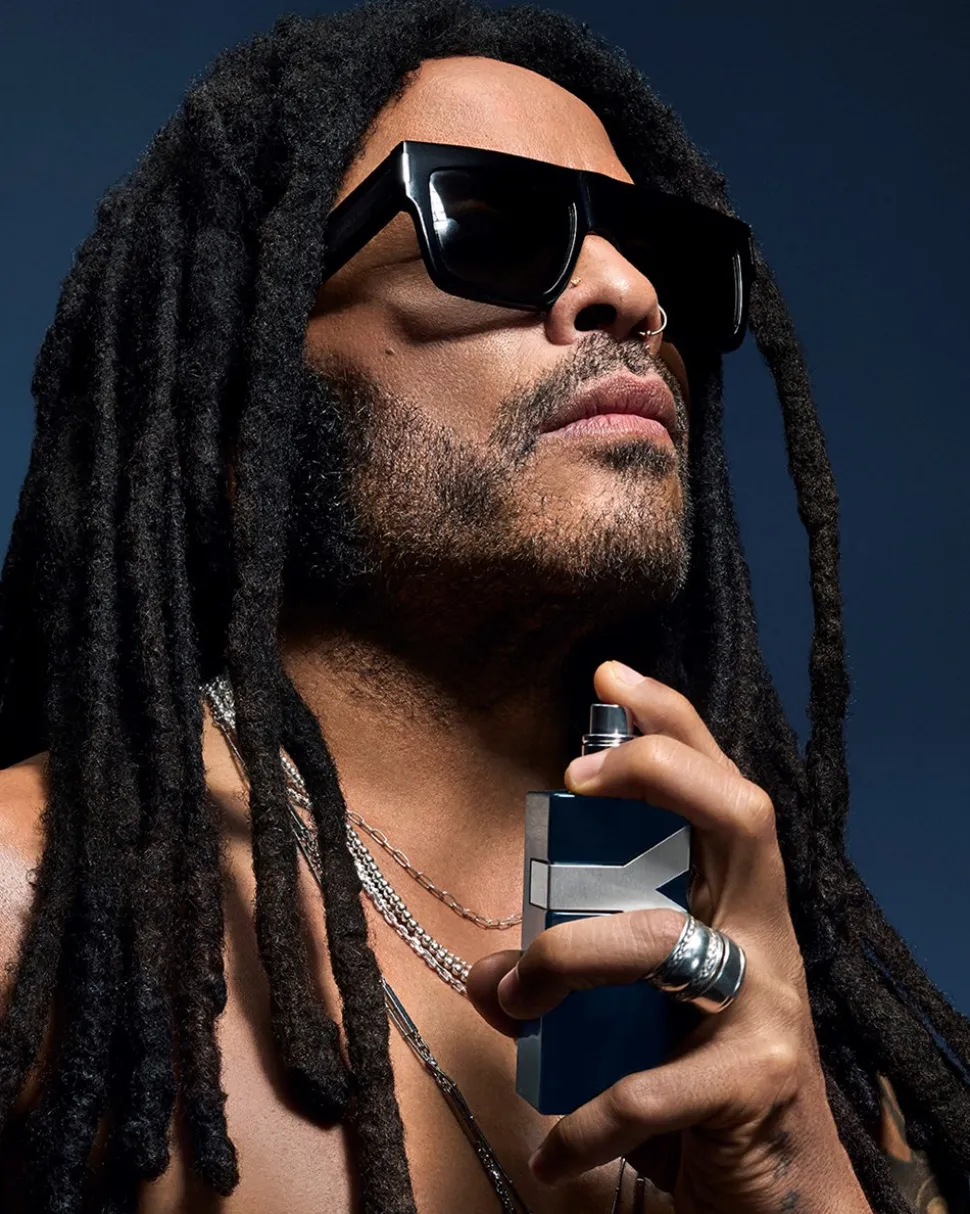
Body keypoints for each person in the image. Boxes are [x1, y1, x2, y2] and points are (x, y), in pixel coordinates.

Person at [0, 1, 967, 1211]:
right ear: (244, 397)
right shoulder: (33, 911)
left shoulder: (787, 1021)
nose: (630, 292)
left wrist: (798, 1179)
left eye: (658, 253)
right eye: (496, 230)